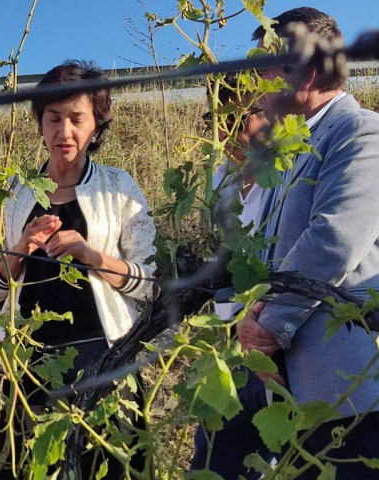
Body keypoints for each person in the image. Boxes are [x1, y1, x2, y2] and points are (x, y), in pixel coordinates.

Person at [0, 60, 156, 479]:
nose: (65, 132)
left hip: (104, 357)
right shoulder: (13, 193)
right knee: (20, 468)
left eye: (77, 119)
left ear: (97, 124)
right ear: (40, 122)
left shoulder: (119, 188)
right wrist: (19, 250)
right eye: (53, 118)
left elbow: (148, 285)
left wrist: (90, 254)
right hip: (25, 362)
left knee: (109, 467)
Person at [239, 7, 379, 478]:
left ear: (307, 71)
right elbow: (273, 255)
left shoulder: (361, 132)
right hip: (298, 390)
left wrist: (267, 326)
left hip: (347, 392)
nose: (254, 82)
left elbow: (333, 239)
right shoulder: (295, 148)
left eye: (264, 67)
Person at [190, 77, 273, 479]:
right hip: (228, 338)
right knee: (216, 451)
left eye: (245, 116)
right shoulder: (220, 180)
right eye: (222, 119)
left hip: (279, 339)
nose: (233, 131)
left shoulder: (291, 170)